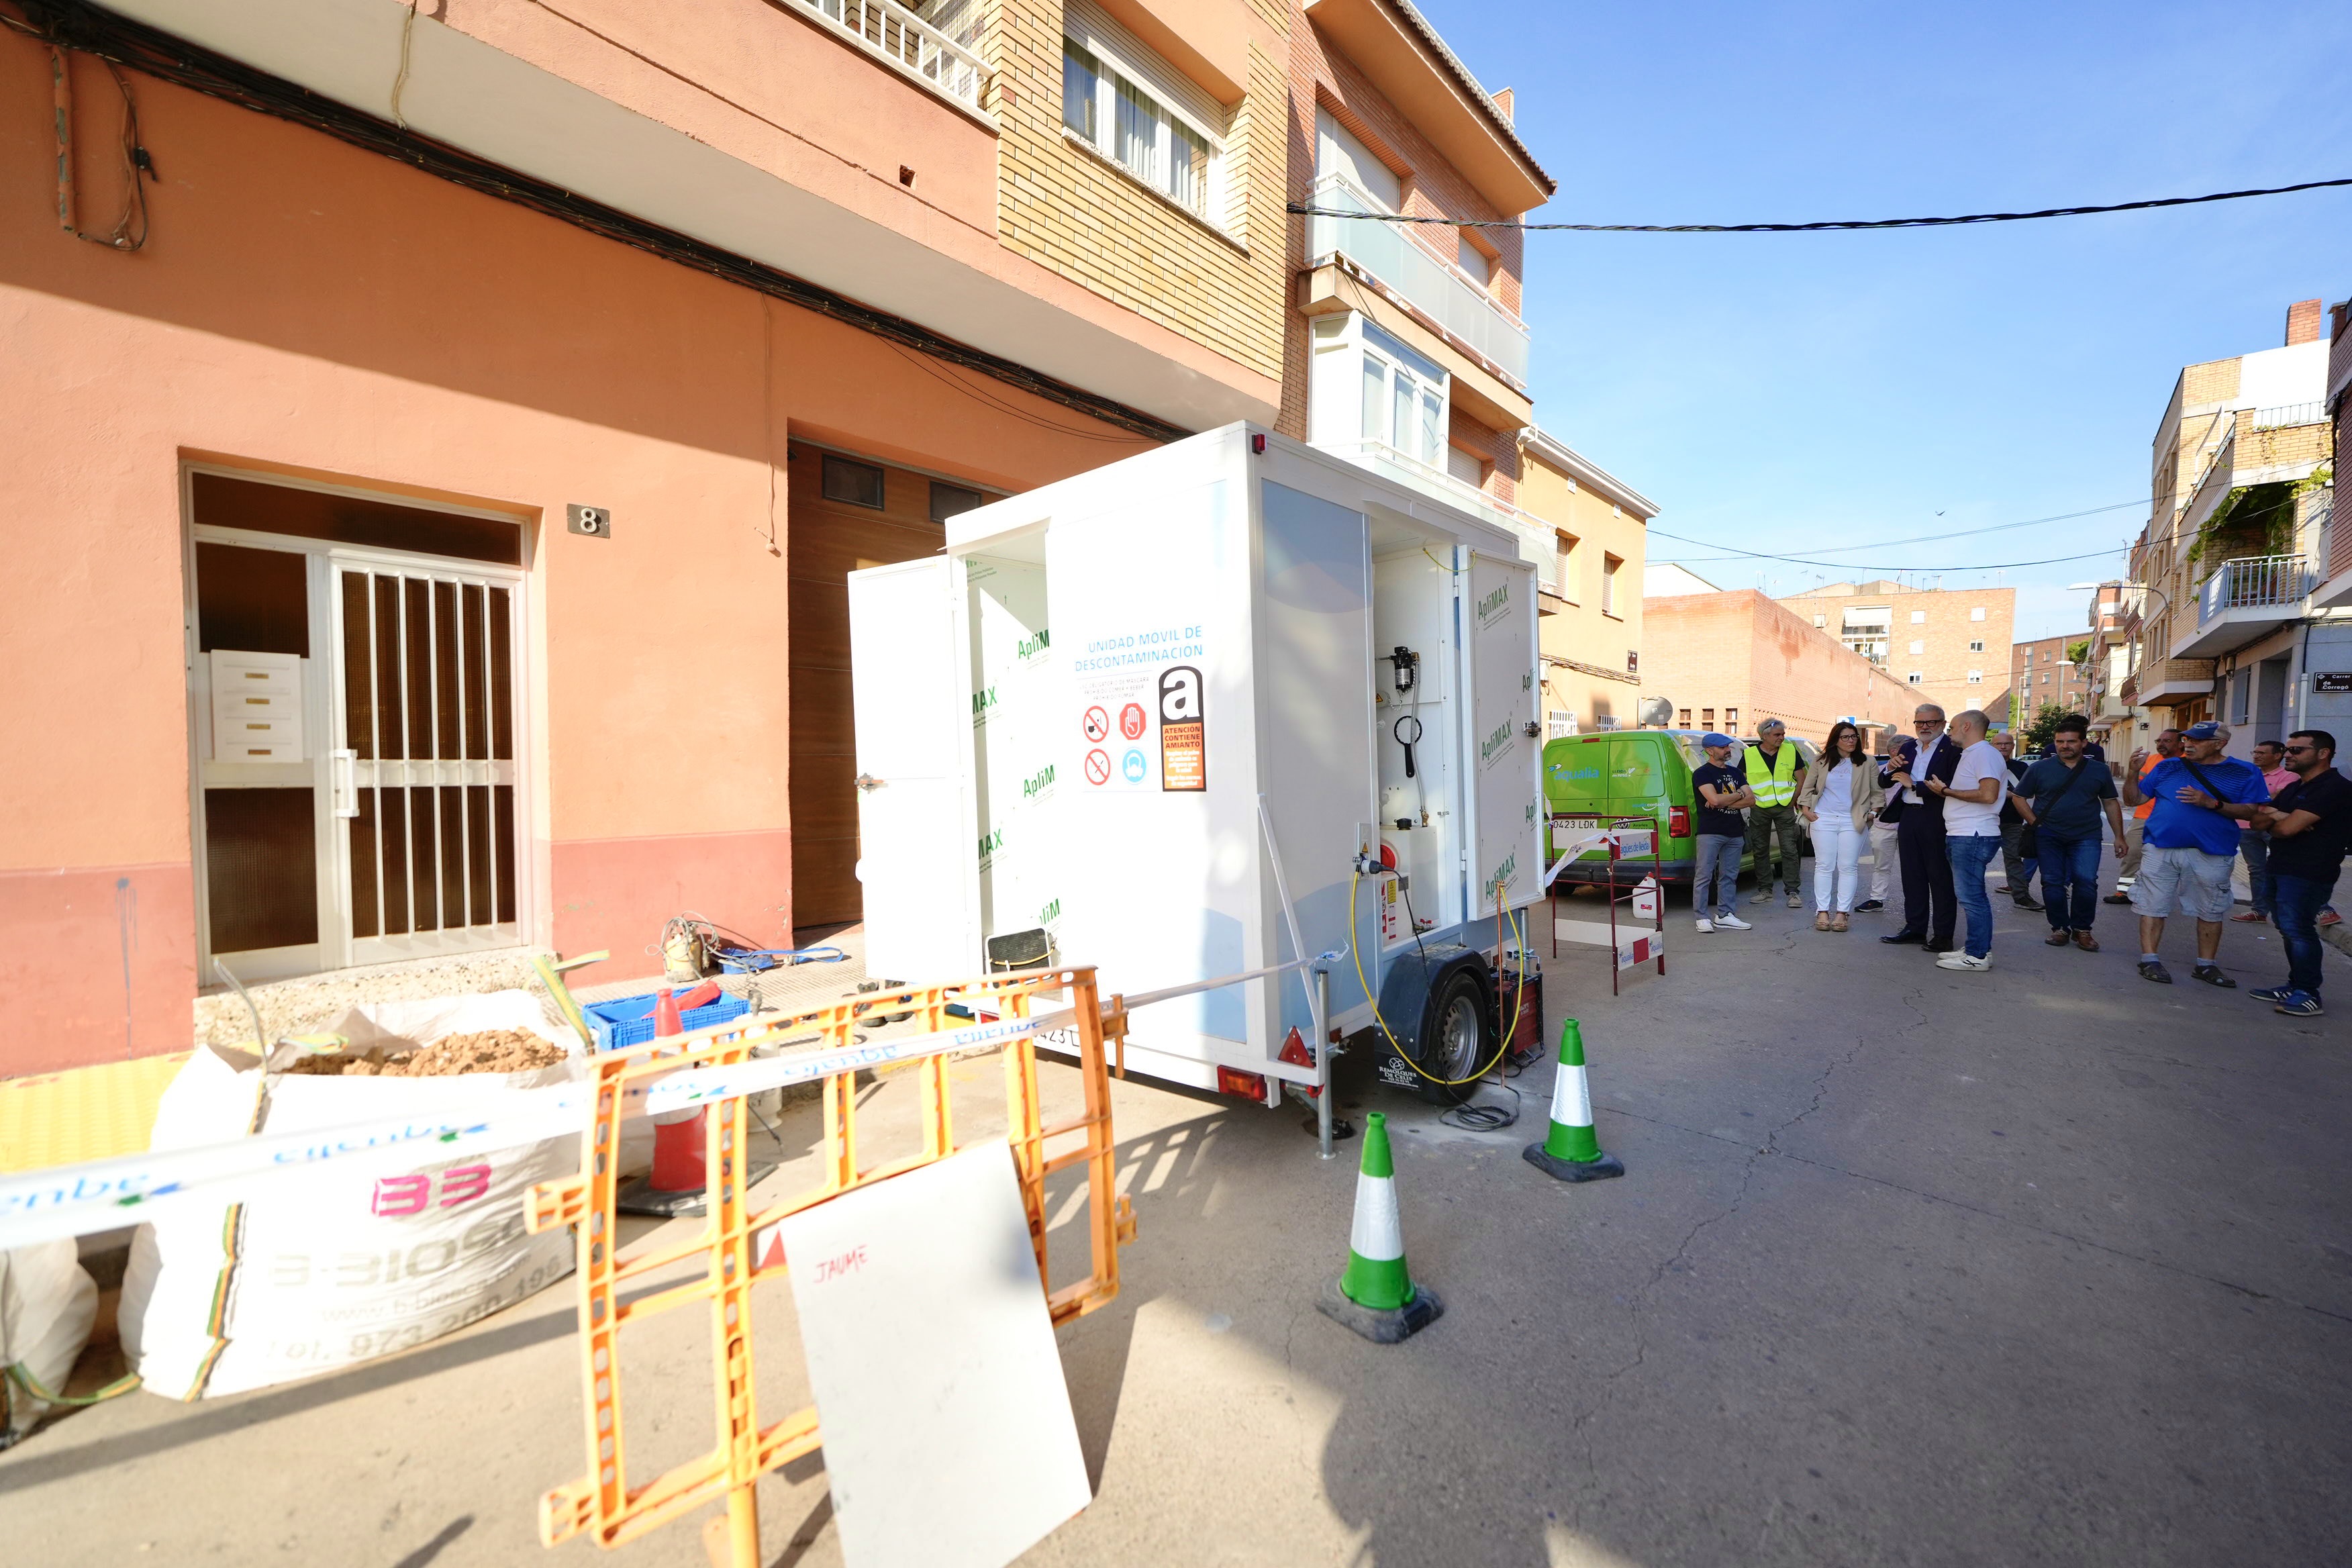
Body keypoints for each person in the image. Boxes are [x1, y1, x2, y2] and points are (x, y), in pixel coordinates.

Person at [2122, 720, 2268, 985]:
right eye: (2187, 739)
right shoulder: (2168, 766)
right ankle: (2150, 960)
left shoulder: (2244, 771)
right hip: (2160, 847)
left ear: (2220, 743)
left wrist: (2211, 803)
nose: (2189, 745)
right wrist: (2133, 772)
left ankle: (2206, 965)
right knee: (2153, 905)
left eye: (2197, 741)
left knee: (2211, 910)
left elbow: (2250, 811)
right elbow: (2134, 800)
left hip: (2211, 852)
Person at [2246, 730, 2352, 1016]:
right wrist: (2280, 816)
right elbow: (2257, 819)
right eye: (2289, 749)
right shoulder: (2296, 788)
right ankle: (2295, 985)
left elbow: (2286, 829)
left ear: (2323, 753)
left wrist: (2279, 819)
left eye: (2297, 750)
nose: (2289, 755)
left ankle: (2308, 992)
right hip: (2280, 866)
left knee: (2299, 930)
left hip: (2310, 871)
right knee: (2287, 928)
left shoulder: (2334, 787)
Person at [2013, 715, 2127, 951]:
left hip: (2087, 835)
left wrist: (2119, 836)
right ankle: (2060, 928)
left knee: (2086, 882)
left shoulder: (2098, 770)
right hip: (2048, 835)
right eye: (2059, 742)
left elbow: (2110, 802)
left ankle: (2082, 930)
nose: (2065, 746)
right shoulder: (2040, 768)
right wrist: (2035, 823)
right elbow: (2018, 797)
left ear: (2083, 743)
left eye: (2071, 741)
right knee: (2052, 883)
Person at [1925, 709, 2006, 971]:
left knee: (1972, 897)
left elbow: (1988, 795)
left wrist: (1946, 791)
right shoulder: (1974, 754)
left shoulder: (1984, 753)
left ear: (1967, 726)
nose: (1949, 732)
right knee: (1971, 895)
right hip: (1965, 833)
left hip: (1972, 834)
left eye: (1952, 727)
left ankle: (1977, 956)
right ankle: (1978, 948)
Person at [1881, 704, 1960, 952]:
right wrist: (1891, 767)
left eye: (1931, 722)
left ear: (1943, 723)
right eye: (1920, 723)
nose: (1925, 727)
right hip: (1908, 816)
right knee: (1912, 876)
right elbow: (1885, 781)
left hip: (1936, 817)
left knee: (1940, 878)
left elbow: (1951, 784)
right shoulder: (1908, 747)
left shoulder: (1953, 749)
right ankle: (1915, 929)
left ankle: (1943, 935)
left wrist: (1914, 785)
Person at [1797, 720, 1881, 932]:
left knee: (1848, 867)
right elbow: (1808, 787)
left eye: (1854, 736)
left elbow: (1877, 791)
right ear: (1836, 740)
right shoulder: (1821, 760)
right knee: (1824, 866)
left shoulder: (1867, 762)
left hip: (1853, 820)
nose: (1851, 740)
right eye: (1846, 737)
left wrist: (1873, 813)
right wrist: (1806, 810)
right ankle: (1822, 911)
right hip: (1823, 818)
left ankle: (1842, 913)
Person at [2105, 728, 2180, 903]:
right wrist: (2132, 771)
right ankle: (2125, 892)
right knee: (2132, 852)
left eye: (2167, 741)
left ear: (2180, 743)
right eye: (2158, 741)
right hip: (2145, 815)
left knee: (2172, 857)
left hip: (2173, 820)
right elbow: (2135, 790)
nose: (2161, 744)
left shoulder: (2189, 763)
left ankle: (2163, 894)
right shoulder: (2150, 760)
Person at [1690, 733, 1754, 933]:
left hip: (1734, 831)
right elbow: (1715, 801)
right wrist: (1738, 795)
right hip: (1710, 831)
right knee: (1704, 875)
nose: (1728, 750)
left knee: (1729, 876)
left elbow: (1751, 800)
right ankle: (1702, 917)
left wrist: (1724, 799)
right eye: (1723, 747)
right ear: (1710, 750)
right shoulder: (1702, 773)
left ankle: (1725, 915)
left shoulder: (1735, 772)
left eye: (1728, 746)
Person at [1743, 718, 1805, 908]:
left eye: (1783, 734)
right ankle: (1765, 890)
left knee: (1789, 849)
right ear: (1764, 736)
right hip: (1759, 808)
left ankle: (1793, 892)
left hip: (1785, 807)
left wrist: (1794, 799)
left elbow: (1802, 778)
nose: (1782, 738)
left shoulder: (1790, 751)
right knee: (1760, 850)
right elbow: (1743, 782)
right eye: (1777, 735)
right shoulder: (1749, 754)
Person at [2229, 739, 2292, 924]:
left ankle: (2308, 909)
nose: (2256, 756)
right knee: (2256, 870)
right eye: (2255, 752)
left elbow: (2276, 798)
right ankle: (2259, 912)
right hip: (2246, 827)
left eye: (2262, 753)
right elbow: (2234, 796)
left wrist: (2250, 799)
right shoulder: (2248, 774)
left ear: (2277, 756)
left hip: (2272, 827)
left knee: (2288, 866)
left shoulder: (2288, 775)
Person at [1857, 734, 1914, 914]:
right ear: (1894, 751)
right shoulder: (1880, 772)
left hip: (1910, 826)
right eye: (1907, 748)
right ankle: (1877, 899)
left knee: (1914, 867)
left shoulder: (1918, 772)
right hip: (1883, 826)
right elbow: (1867, 796)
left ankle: (1915, 901)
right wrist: (1871, 815)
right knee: (1881, 865)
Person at [1991, 731, 2043, 912]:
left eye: (2007, 744)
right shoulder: (1985, 765)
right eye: (1999, 744)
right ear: (1992, 746)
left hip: (2013, 820)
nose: (2003, 747)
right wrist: (2009, 794)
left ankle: (2021, 896)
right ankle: (1965, 894)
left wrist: (2009, 795)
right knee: (1975, 859)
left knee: (2014, 857)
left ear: (2013, 746)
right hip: (1985, 819)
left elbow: (2030, 791)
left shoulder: (2021, 767)